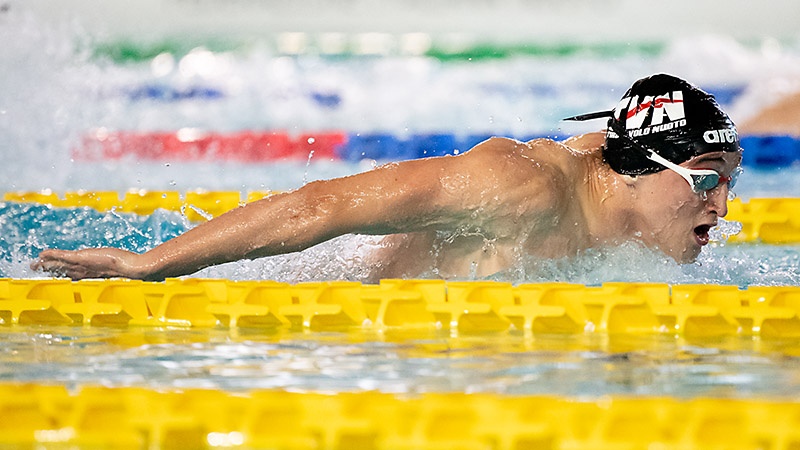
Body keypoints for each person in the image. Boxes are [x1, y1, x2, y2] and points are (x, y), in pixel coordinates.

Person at [32, 73, 743, 281]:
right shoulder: (520, 188)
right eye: (708, 180)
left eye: (730, 181)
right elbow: (322, 206)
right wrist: (148, 263)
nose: (723, 205)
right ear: (632, 171)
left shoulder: (622, 177)